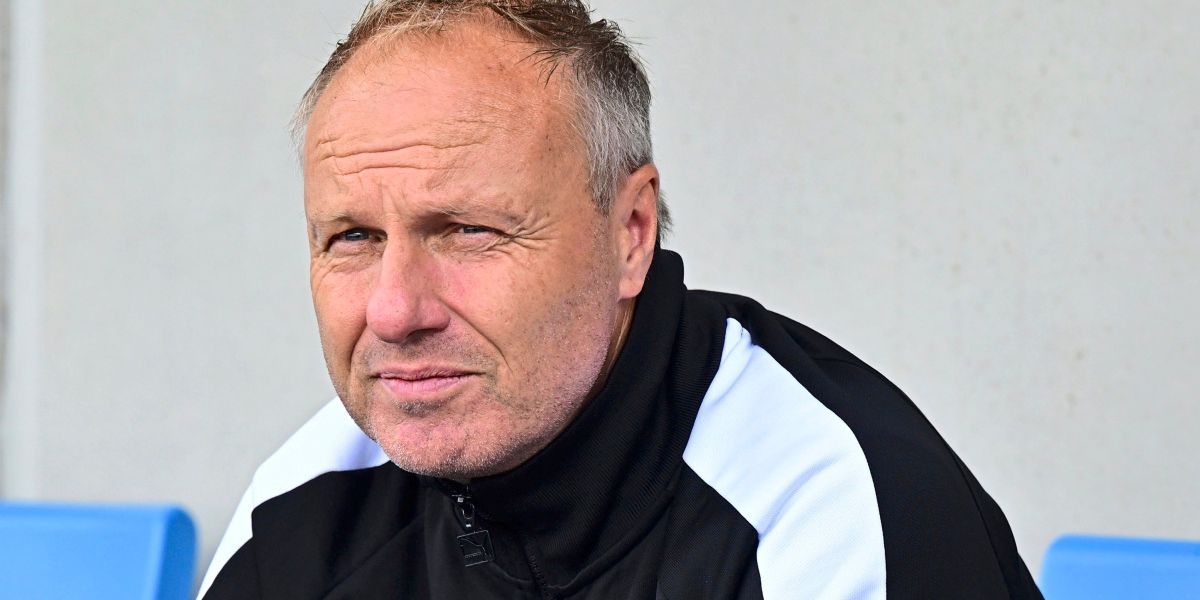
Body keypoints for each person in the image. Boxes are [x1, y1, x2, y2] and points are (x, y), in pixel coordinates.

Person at [200, 1, 1043, 598]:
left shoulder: (817, 502)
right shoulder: (309, 498)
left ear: (630, 231)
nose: (395, 312)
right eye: (353, 238)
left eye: (467, 231)